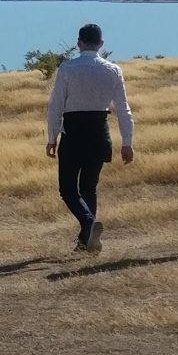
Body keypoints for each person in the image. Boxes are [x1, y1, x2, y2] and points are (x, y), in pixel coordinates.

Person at [45, 22, 134, 253]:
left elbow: (56, 105)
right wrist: (127, 142)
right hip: (99, 133)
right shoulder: (113, 69)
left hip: (73, 133)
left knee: (68, 189)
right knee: (88, 188)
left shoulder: (67, 68)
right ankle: (87, 242)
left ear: (79, 43)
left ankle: (89, 225)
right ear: (101, 44)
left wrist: (52, 136)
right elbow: (124, 109)